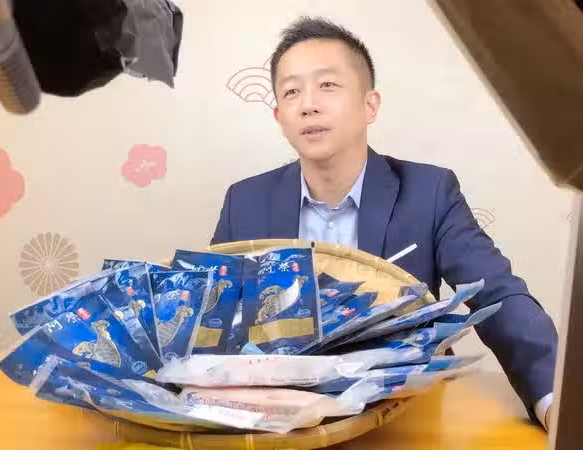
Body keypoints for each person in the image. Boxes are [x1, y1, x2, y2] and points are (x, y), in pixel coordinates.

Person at [211, 16, 557, 429]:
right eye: (291, 91)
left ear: (370, 105)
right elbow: (213, 324)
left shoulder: (429, 192)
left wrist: (555, 399)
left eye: (327, 85)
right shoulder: (244, 203)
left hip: (406, 412)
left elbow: (497, 295)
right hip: (282, 425)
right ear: (279, 115)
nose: (308, 104)